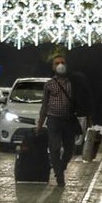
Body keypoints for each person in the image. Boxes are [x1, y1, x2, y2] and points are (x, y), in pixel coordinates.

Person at [35, 55, 82, 186]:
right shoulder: (49, 84)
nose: (60, 65)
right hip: (53, 120)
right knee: (54, 148)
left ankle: (61, 167)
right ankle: (59, 176)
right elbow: (44, 105)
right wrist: (40, 124)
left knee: (69, 148)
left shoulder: (72, 83)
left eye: (62, 62)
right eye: (57, 63)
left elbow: (81, 100)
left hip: (68, 120)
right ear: (53, 67)